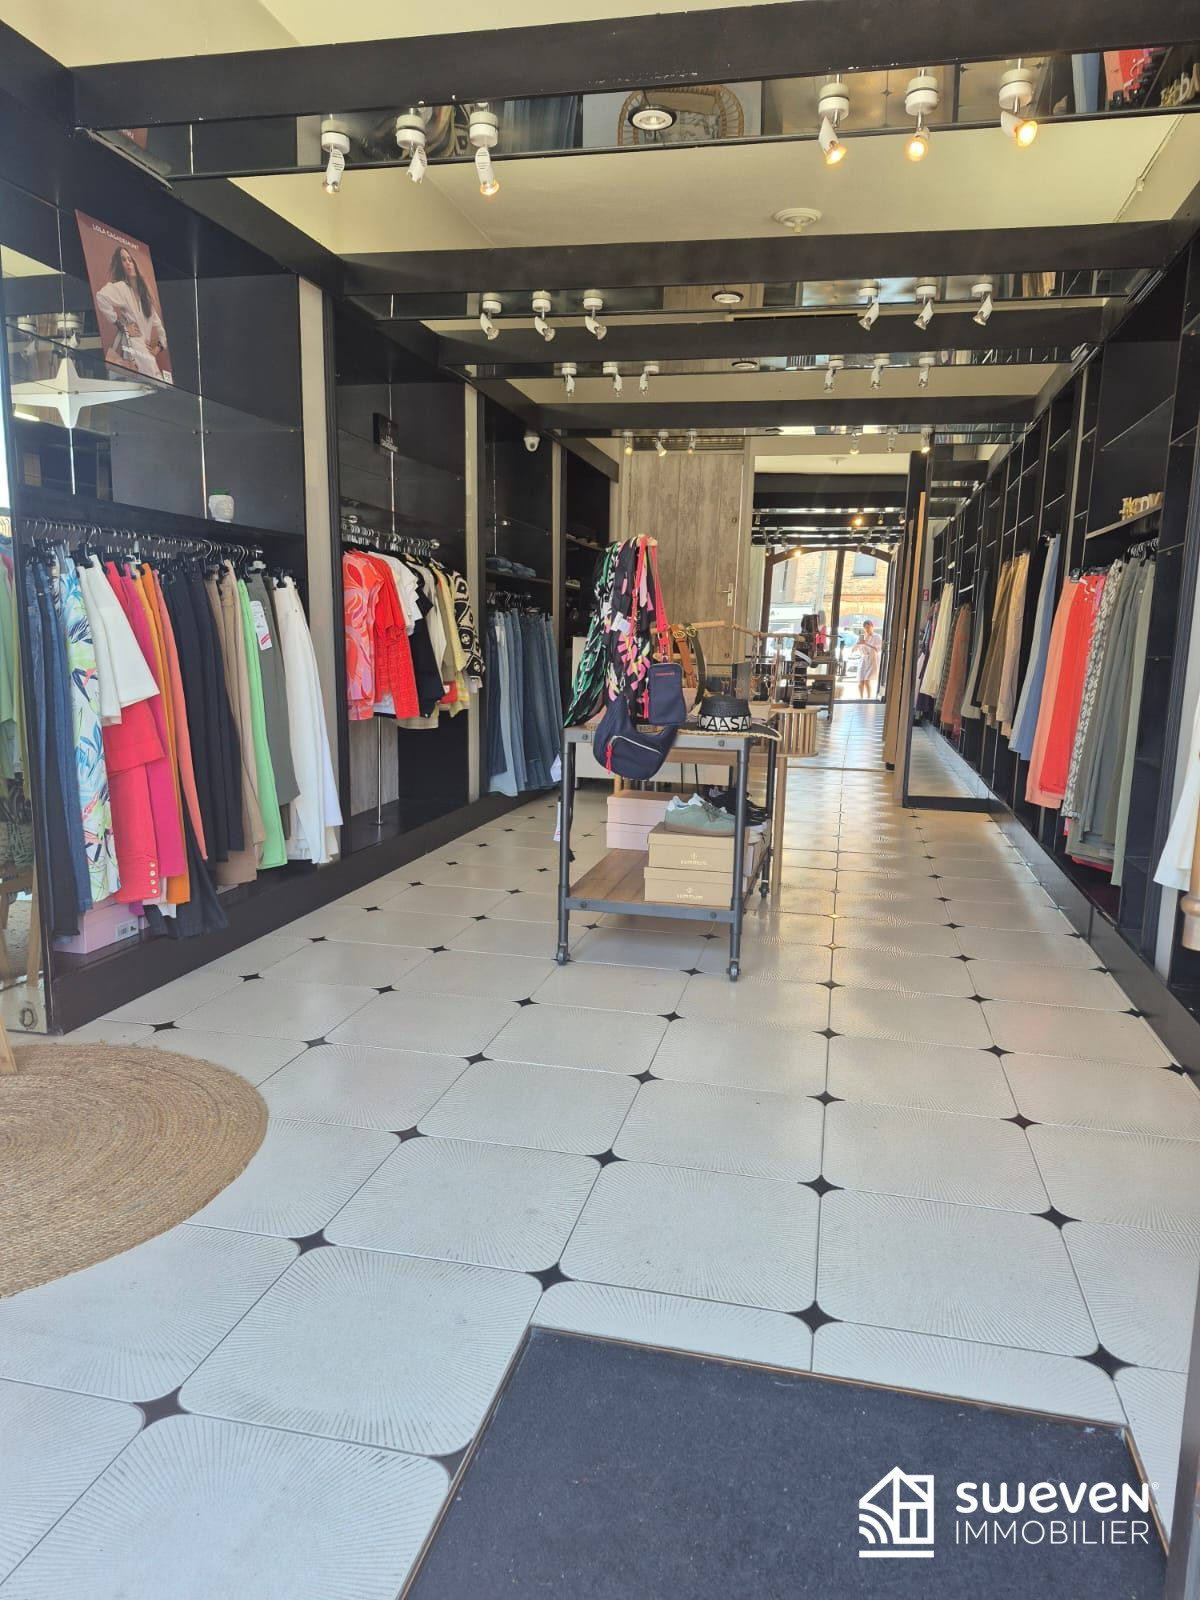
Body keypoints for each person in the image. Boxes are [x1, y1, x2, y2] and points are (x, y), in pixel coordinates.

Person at [94, 245, 170, 381]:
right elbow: (101, 297)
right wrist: (122, 326)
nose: (128, 263)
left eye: (130, 259)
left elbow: (161, 329)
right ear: (120, 265)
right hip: (133, 346)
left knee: (151, 383)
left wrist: (157, 348)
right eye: (123, 260)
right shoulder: (122, 288)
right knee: (152, 383)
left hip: (145, 353)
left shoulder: (145, 297)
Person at [849, 619, 882, 699]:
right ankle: (861, 699)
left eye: (869, 627)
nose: (867, 629)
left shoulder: (877, 637)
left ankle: (868, 699)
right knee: (860, 681)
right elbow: (853, 650)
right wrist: (857, 644)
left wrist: (866, 644)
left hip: (872, 659)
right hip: (863, 660)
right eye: (865, 628)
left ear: (872, 627)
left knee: (867, 681)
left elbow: (878, 649)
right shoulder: (862, 637)